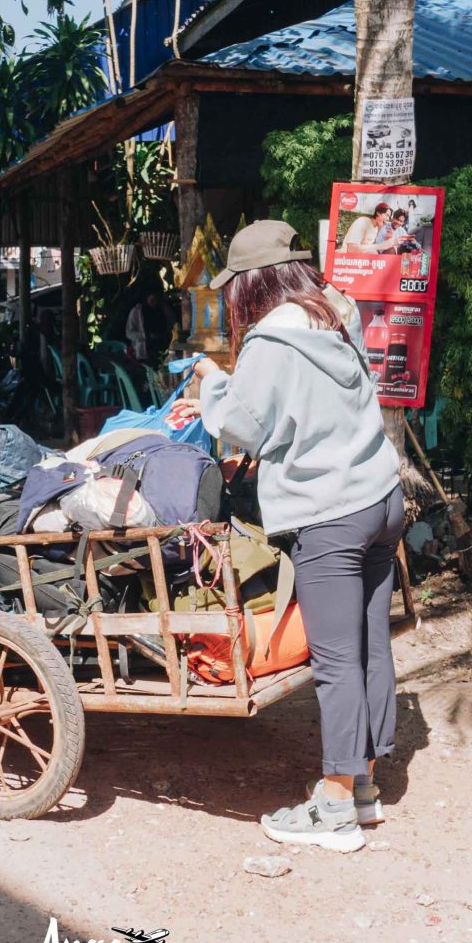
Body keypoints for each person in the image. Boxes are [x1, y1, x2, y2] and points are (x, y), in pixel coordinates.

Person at [191, 219, 404, 853]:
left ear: (249, 283)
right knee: (368, 644)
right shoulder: (337, 310)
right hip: (380, 496)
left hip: (329, 512)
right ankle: (363, 788)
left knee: (335, 660)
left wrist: (212, 383)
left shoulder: (266, 342)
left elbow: (244, 427)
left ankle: (336, 805)